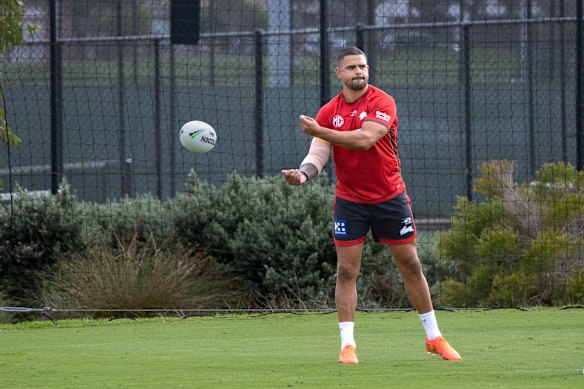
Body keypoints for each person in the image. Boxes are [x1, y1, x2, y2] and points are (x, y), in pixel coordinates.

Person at [281, 47, 461, 364]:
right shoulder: (328, 112)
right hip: (350, 202)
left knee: (412, 266)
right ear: (339, 73)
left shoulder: (381, 102)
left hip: (390, 197)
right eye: (351, 67)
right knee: (347, 271)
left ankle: (434, 338)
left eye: (363, 66)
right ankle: (347, 346)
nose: (359, 72)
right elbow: (319, 153)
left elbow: (364, 139)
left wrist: (320, 130)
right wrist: (304, 175)